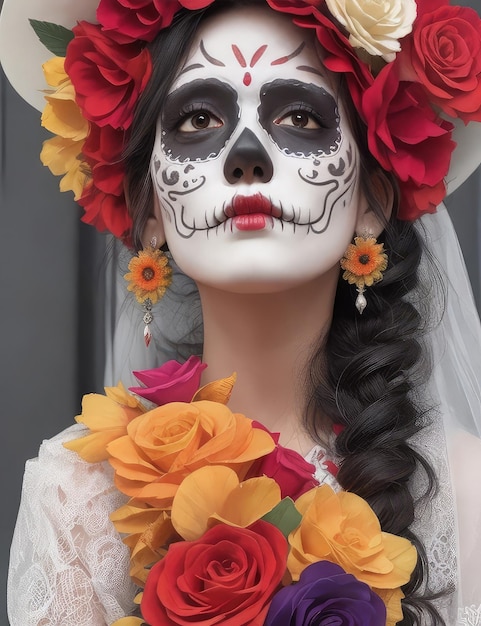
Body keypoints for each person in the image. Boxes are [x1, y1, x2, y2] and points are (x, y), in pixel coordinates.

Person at [1, 0, 481, 624]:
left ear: (372, 200)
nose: (246, 156)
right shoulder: (78, 498)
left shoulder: (464, 494)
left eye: (301, 116)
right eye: (199, 118)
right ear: (148, 211)